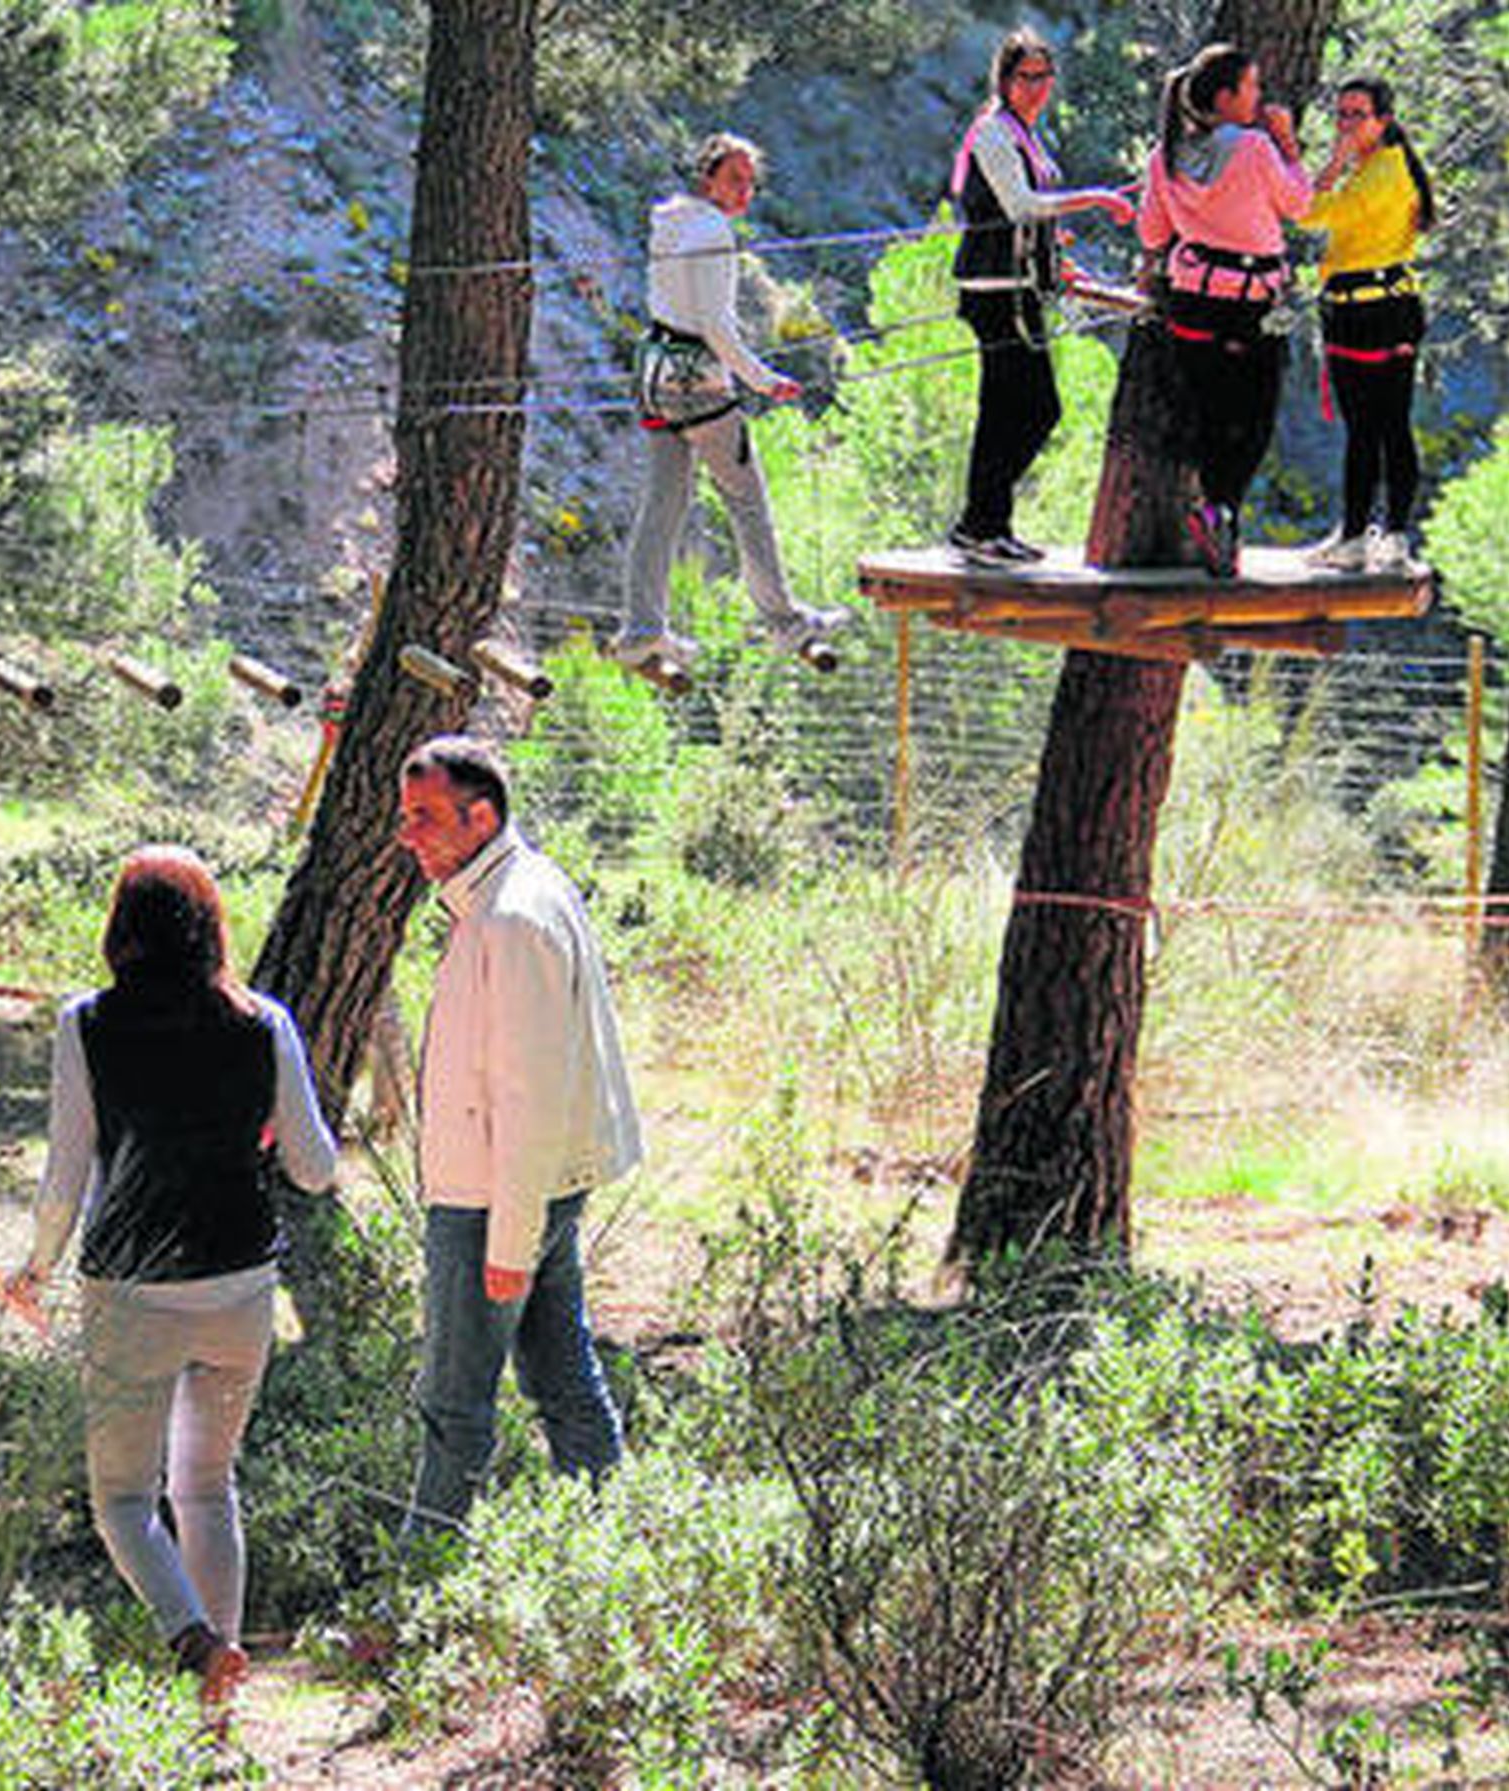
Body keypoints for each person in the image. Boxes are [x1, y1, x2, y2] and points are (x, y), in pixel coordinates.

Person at [0, 847, 338, 1709]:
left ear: (121, 929)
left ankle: (194, 1640)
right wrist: (262, 1127)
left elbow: (65, 1176)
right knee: (208, 1488)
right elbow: (316, 1167)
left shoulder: (86, 1024)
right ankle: (216, 1716)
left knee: (123, 1500)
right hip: (240, 1289)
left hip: (131, 1295)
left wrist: (35, 1269)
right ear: (212, 927)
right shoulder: (265, 1022)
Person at [397, 735, 640, 1529]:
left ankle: (418, 1579)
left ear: (482, 816)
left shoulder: (512, 917)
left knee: (454, 1404)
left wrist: (509, 1241)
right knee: (563, 1378)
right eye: (406, 815)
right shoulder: (512, 892)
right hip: (521, 1190)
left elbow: (528, 1096)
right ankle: (614, 1548)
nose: (407, 834)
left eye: (426, 816)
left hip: (493, 1200)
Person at [617, 132, 846, 668]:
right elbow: (715, 326)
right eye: (734, 179)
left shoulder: (670, 222)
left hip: (654, 377)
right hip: (700, 384)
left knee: (662, 508)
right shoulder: (713, 233)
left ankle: (641, 630)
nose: (745, 191)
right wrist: (763, 380)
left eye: (751, 182)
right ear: (708, 179)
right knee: (747, 501)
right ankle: (785, 622)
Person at [947, 28, 1134, 565]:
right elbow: (1021, 205)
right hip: (997, 291)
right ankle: (980, 523)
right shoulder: (993, 132)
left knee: (1008, 410)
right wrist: (1095, 199)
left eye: (1044, 77)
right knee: (1033, 409)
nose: (1037, 87)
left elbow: (1033, 219)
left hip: (1019, 287)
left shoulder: (1022, 133)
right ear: (1004, 81)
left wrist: (1054, 261)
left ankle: (986, 525)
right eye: (1026, 77)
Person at [1138, 42, 1312, 576]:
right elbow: (1300, 206)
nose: (1258, 96)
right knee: (1254, 416)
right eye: (1251, 86)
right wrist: (1289, 146)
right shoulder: (1256, 147)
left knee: (1210, 412)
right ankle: (1221, 508)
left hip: (1192, 300)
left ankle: (1217, 511)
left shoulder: (1165, 155)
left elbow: (1152, 234)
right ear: (1225, 96)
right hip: (1250, 302)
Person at [1299, 76, 1433, 572]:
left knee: (1374, 428)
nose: (1346, 125)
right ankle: (1383, 536)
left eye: (1358, 115)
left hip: (1368, 313)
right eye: (1341, 114)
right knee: (1385, 426)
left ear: (1384, 120)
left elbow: (1309, 212)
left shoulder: (1381, 174)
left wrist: (1332, 164)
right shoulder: (1381, 166)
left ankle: (1364, 537)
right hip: (1383, 308)